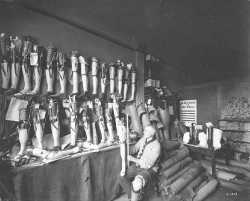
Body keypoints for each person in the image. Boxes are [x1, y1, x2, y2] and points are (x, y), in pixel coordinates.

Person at [118, 125, 161, 201]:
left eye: (146, 131)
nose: (144, 132)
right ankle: (134, 197)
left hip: (149, 169)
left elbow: (148, 164)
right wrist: (124, 143)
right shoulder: (143, 139)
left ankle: (135, 198)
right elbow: (134, 149)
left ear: (152, 133)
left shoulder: (156, 145)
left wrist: (133, 159)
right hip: (138, 166)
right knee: (121, 176)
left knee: (137, 183)